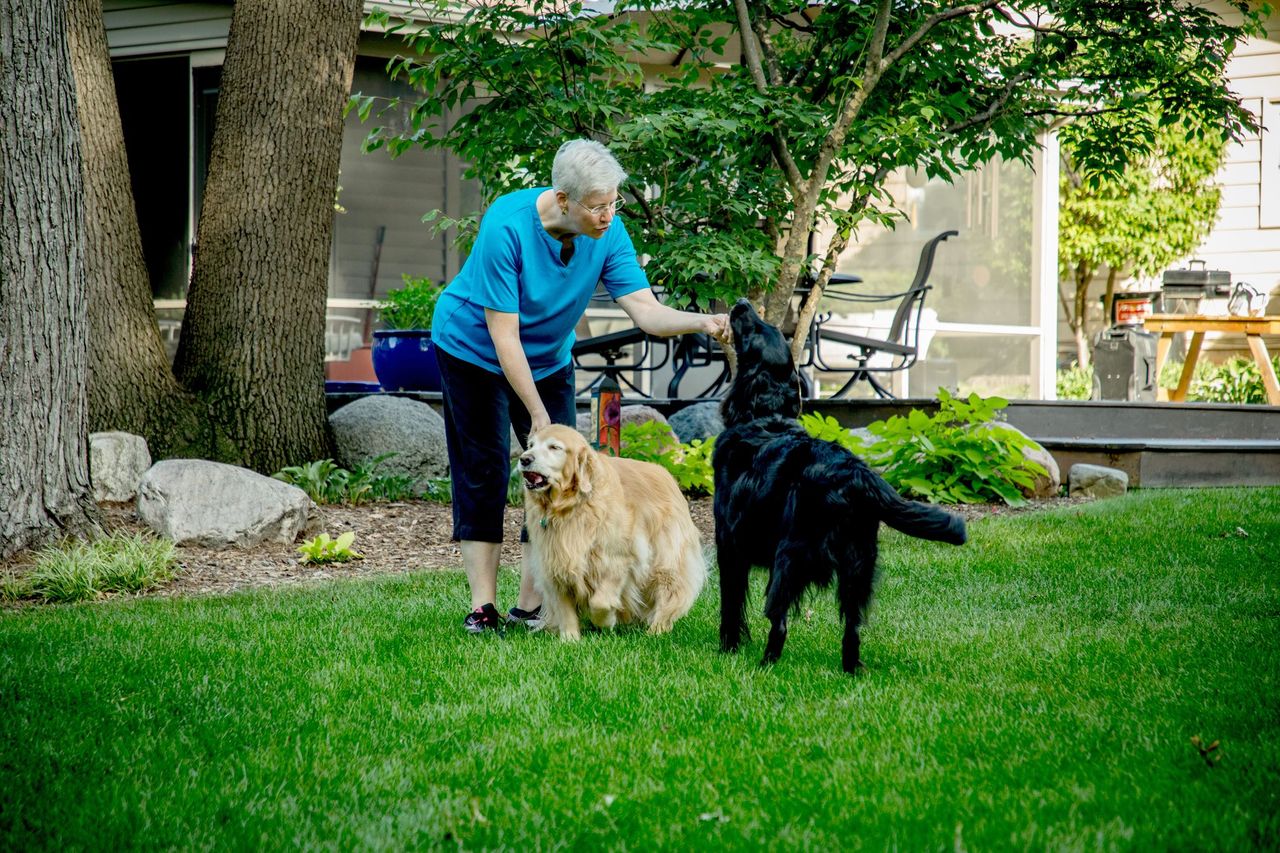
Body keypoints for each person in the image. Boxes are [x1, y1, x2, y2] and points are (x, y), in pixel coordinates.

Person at [430, 138, 731, 634]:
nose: (608, 215)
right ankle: (482, 607)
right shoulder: (507, 225)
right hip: (473, 352)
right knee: (482, 471)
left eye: (613, 203)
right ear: (564, 200)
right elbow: (504, 338)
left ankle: (532, 607)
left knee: (556, 471)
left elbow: (646, 312)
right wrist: (539, 417)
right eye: (597, 206)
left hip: (548, 355)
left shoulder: (608, 233)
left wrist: (702, 322)